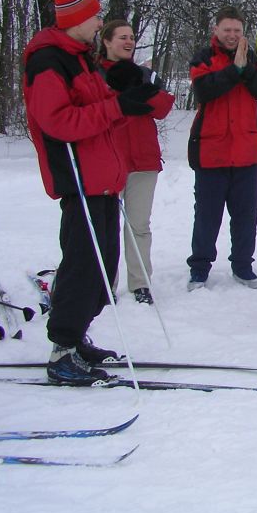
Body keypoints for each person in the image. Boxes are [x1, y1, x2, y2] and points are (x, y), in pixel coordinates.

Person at [23, 0, 158, 384]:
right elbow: (58, 121)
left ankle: (77, 336)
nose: (100, 22)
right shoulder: (49, 60)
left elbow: (98, 106)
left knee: (102, 268)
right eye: (95, 16)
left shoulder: (80, 57)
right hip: (80, 180)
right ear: (76, 19)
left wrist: (124, 99)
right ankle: (62, 352)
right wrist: (116, 107)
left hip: (102, 179)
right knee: (82, 267)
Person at [185, 6, 257, 291]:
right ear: (216, 30)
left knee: (246, 215)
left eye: (237, 30)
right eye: (227, 30)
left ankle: (243, 266)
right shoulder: (204, 57)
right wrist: (234, 70)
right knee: (207, 216)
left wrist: (246, 69)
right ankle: (199, 269)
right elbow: (204, 90)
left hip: (246, 152)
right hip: (212, 153)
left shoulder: (253, 57)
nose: (232, 35)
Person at [99, 19, 176, 305]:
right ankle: (105, 283)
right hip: (108, 161)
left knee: (139, 226)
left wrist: (139, 88)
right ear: (107, 41)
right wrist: (123, 97)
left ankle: (140, 283)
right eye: (122, 37)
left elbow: (163, 107)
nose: (129, 41)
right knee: (105, 227)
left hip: (143, 160)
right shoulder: (94, 74)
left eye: (131, 37)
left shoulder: (145, 74)